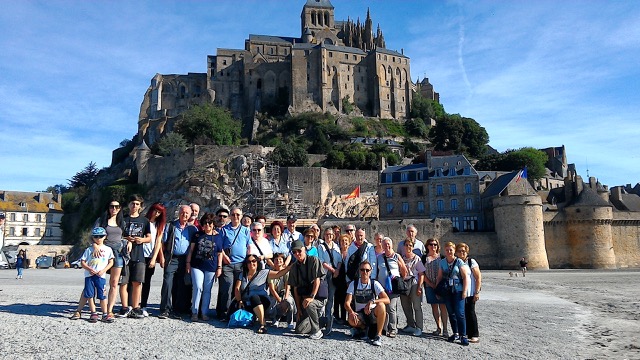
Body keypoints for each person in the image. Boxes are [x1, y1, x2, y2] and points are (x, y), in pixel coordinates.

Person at [233, 253, 293, 333]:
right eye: (249, 262)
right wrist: (239, 300)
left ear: (257, 262)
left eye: (254, 261)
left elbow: (279, 274)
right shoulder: (242, 274)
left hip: (263, 301)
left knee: (254, 297)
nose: (251, 263)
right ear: (246, 264)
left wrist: (289, 268)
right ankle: (254, 317)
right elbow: (237, 288)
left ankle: (262, 324)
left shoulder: (264, 272)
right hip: (247, 301)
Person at [159, 205, 198, 319]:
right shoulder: (170, 226)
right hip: (172, 258)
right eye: (182, 212)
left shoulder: (192, 229)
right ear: (178, 213)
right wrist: (162, 257)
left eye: (187, 213)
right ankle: (165, 309)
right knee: (167, 282)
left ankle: (178, 309)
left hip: (185, 260)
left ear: (190, 215)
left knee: (182, 284)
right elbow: (162, 242)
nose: (184, 215)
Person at [70, 227, 114, 322]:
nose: (98, 238)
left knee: (102, 295)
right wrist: (89, 269)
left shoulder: (108, 249)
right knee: (90, 294)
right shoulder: (89, 250)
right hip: (89, 275)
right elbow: (82, 262)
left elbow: (111, 262)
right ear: (93, 237)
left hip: (101, 275)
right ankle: (93, 312)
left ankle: (105, 313)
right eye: (96, 236)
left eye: (101, 236)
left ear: (105, 237)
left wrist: (104, 270)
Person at [119, 194, 152, 319]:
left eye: (137, 204)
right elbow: (118, 235)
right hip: (124, 255)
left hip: (139, 255)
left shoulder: (144, 221)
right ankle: (124, 307)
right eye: (133, 203)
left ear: (140, 206)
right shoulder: (122, 219)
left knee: (137, 282)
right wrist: (127, 240)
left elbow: (149, 238)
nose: (135, 206)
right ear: (129, 205)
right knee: (124, 282)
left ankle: (136, 307)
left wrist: (141, 240)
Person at [93, 199, 126, 323]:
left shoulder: (122, 222)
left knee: (114, 283)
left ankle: (109, 310)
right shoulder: (101, 221)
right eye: (112, 206)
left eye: (117, 207)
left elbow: (124, 236)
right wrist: (95, 246)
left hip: (118, 253)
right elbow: (93, 235)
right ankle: (95, 309)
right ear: (108, 207)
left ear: (120, 208)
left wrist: (128, 243)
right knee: (98, 280)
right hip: (103, 252)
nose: (114, 209)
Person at [186, 212, 223, 322]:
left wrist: (219, 267)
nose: (207, 225)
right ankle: (194, 311)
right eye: (205, 223)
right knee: (198, 287)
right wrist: (188, 263)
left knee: (207, 290)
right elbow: (191, 250)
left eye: (210, 223)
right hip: (197, 265)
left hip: (211, 266)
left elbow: (219, 253)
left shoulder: (218, 237)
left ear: (213, 224)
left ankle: (204, 312)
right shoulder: (197, 235)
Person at [216, 207, 251, 320]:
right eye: (233, 214)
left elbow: (249, 246)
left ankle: (235, 311)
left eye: (238, 214)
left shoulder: (245, 230)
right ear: (230, 216)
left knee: (239, 289)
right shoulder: (224, 230)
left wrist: (248, 260)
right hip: (228, 264)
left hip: (241, 264)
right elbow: (219, 246)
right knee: (226, 287)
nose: (235, 217)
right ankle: (223, 312)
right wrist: (224, 257)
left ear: (241, 216)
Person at [345, 260, 390, 347]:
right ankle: (363, 328)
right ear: (359, 271)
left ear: (371, 271)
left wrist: (373, 301)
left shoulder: (375, 283)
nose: (364, 272)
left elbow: (387, 299)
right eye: (362, 270)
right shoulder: (353, 284)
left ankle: (378, 335)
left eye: (367, 270)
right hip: (360, 314)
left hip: (372, 312)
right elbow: (347, 302)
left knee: (381, 305)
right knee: (350, 318)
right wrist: (351, 312)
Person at [288, 240, 326, 340]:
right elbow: (295, 289)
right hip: (304, 299)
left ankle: (317, 331)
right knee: (299, 330)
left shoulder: (314, 260)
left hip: (317, 297)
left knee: (310, 304)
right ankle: (321, 321)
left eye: (299, 251)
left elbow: (317, 280)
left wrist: (311, 297)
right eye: (294, 252)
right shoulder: (294, 267)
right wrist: (299, 309)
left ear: (304, 249)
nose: (297, 254)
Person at [436, 241, 471, 346]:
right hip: (447, 291)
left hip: (458, 290)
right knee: (451, 312)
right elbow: (439, 277)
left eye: (451, 250)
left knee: (460, 313)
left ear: (454, 250)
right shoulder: (442, 262)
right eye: (447, 250)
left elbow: (465, 277)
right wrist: (437, 290)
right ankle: (455, 333)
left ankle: (463, 335)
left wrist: (465, 291)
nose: (449, 252)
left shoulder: (459, 262)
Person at [375, 237, 407, 338]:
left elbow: (404, 271)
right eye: (384, 244)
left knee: (391, 307)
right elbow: (377, 271)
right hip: (382, 287)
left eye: (388, 244)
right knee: (383, 307)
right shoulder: (379, 257)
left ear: (392, 245)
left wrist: (398, 280)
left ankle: (393, 328)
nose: (386, 246)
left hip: (393, 287)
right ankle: (384, 327)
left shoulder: (397, 256)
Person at [142, 202, 167, 317]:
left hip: (150, 256)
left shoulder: (159, 225)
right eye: (155, 210)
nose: (156, 213)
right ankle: (131, 305)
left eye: (159, 212)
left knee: (147, 282)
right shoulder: (143, 221)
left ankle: (143, 306)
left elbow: (158, 242)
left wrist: (154, 258)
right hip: (139, 254)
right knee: (135, 281)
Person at [399, 238, 426, 336]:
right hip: (404, 284)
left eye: (410, 245)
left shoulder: (417, 259)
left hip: (414, 283)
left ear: (413, 247)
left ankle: (419, 327)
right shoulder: (401, 258)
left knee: (417, 306)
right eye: (406, 245)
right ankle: (410, 324)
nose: (408, 247)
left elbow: (422, 274)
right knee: (406, 305)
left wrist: (419, 286)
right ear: (404, 246)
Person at [318, 227, 341, 334]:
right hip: (325, 273)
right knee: (323, 296)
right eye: (327, 234)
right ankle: (321, 318)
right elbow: (322, 261)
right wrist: (333, 270)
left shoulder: (336, 247)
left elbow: (340, 260)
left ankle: (328, 317)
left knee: (331, 297)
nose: (329, 236)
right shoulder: (321, 247)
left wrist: (337, 270)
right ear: (324, 236)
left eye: (331, 235)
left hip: (334, 274)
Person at [457, 243, 482, 343]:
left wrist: (477, 292)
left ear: (467, 252)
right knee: (462, 313)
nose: (462, 252)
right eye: (459, 251)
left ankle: (474, 334)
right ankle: (466, 332)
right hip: (460, 291)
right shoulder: (457, 262)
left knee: (470, 312)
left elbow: (478, 277)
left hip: (470, 292)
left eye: (464, 251)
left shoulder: (471, 262)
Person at [423, 238, 448, 337]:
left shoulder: (441, 257)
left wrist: (438, 284)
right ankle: (439, 327)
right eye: (431, 244)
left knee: (443, 306)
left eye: (435, 245)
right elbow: (422, 273)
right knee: (434, 306)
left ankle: (445, 329)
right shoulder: (424, 257)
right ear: (427, 246)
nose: (433, 246)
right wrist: (431, 284)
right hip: (429, 285)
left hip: (440, 285)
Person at [267, 253, 295, 329]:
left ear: (283, 261)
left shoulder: (286, 273)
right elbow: (272, 289)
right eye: (276, 259)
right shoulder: (270, 273)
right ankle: (275, 319)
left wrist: (285, 299)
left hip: (285, 293)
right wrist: (280, 300)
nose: (278, 261)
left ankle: (290, 321)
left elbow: (287, 287)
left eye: (280, 259)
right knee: (273, 304)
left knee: (289, 302)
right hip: (275, 294)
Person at [333, 233, 351, 324]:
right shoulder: (337, 252)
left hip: (347, 278)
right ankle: (336, 316)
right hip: (338, 278)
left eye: (346, 241)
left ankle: (344, 318)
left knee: (345, 298)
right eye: (342, 241)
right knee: (337, 298)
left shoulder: (350, 253)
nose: (344, 242)